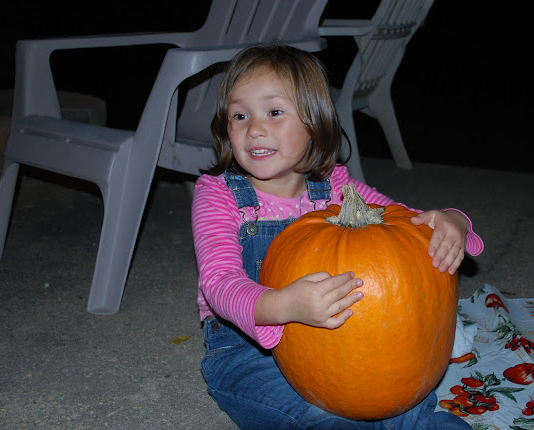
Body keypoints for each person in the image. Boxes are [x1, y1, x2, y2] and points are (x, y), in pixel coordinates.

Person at [192, 42, 483, 430]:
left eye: (274, 112)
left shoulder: (334, 186)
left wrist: (454, 222)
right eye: (239, 115)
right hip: (244, 349)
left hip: (340, 346)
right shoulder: (219, 195)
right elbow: (219, 283)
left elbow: (408, 224)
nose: (254, 129)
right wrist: (283, 306)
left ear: (314, 122)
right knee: (316, 420)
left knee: (409, 408)